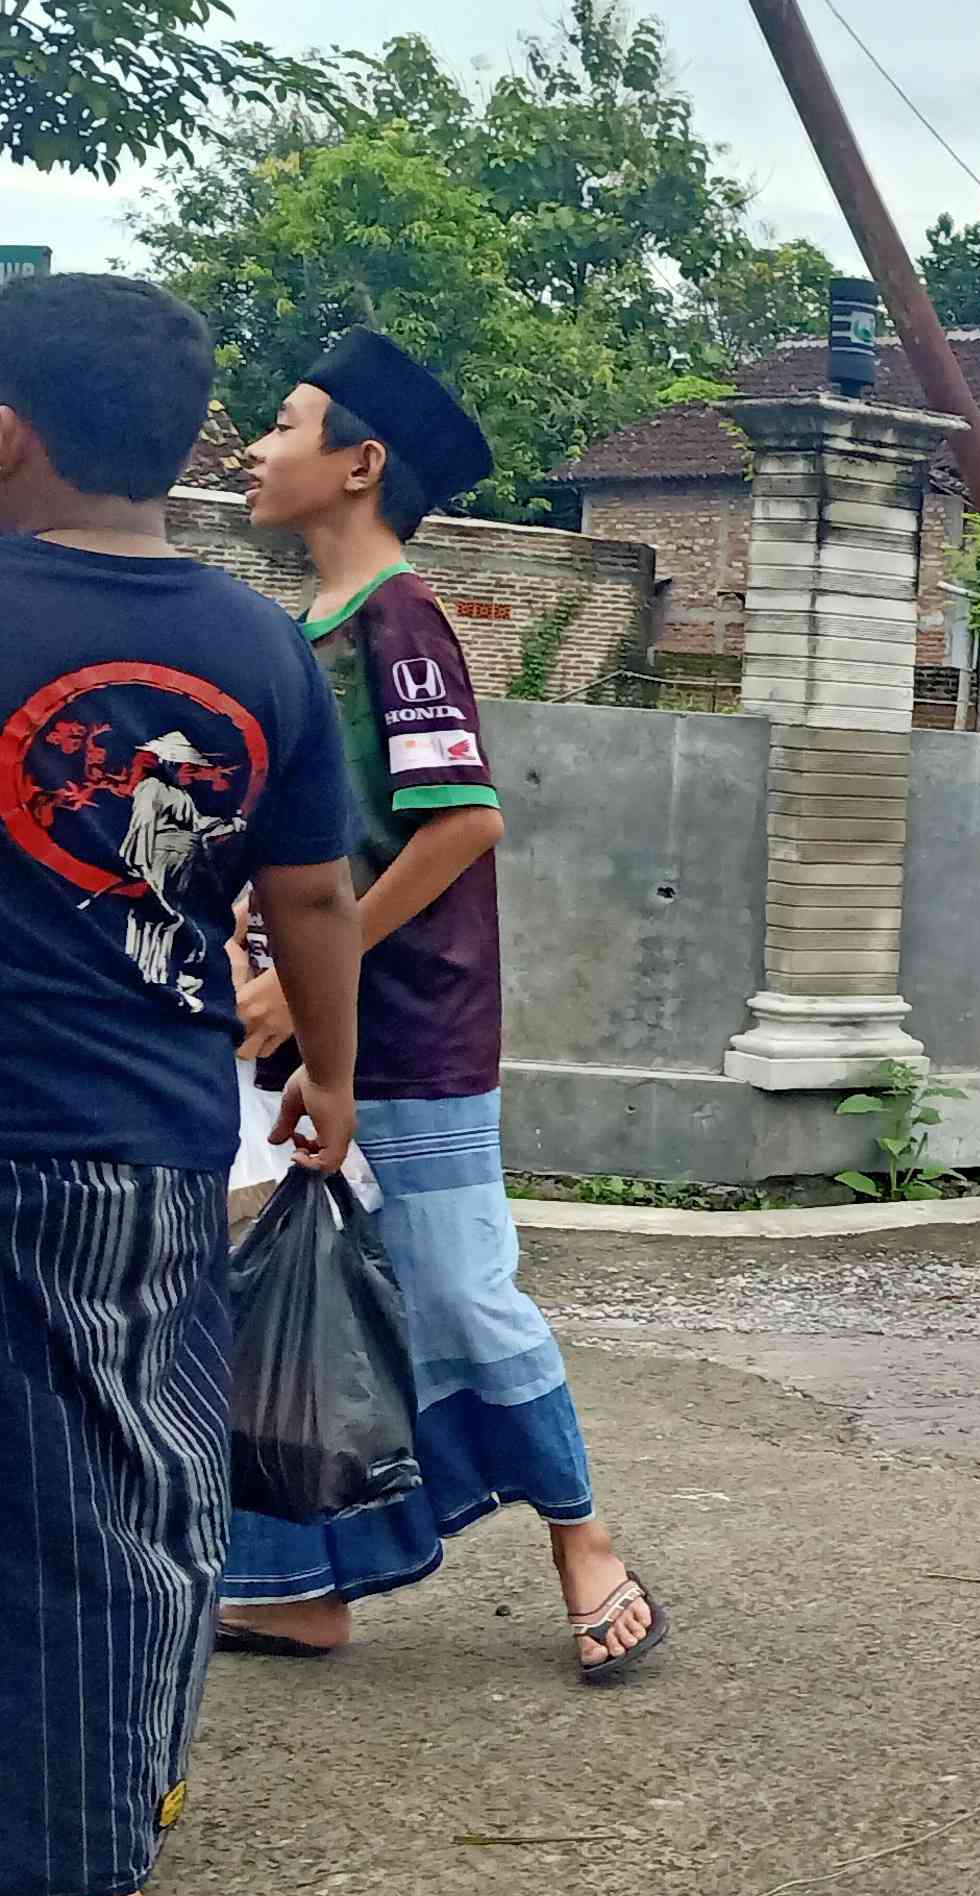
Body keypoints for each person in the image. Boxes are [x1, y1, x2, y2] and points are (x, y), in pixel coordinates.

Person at [0, 274, 364, 1896]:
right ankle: (114, 1789)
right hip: (145, 1129)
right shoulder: (256, 647)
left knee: (60, 1489)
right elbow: (310, 893)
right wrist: (333, 1078)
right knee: (124, 1470)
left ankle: (70, 1877)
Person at [213, 329, 664, 1685]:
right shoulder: (310, 630)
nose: (252, 449)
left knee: (463, 1298)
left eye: (283, 426)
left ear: (359, 465)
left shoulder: (400, 624)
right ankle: (298, 1585)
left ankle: (587, 1540)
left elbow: (461, 824)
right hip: (333, 1021)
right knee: (322, 1297)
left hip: (416, 1033)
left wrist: (308, 978)